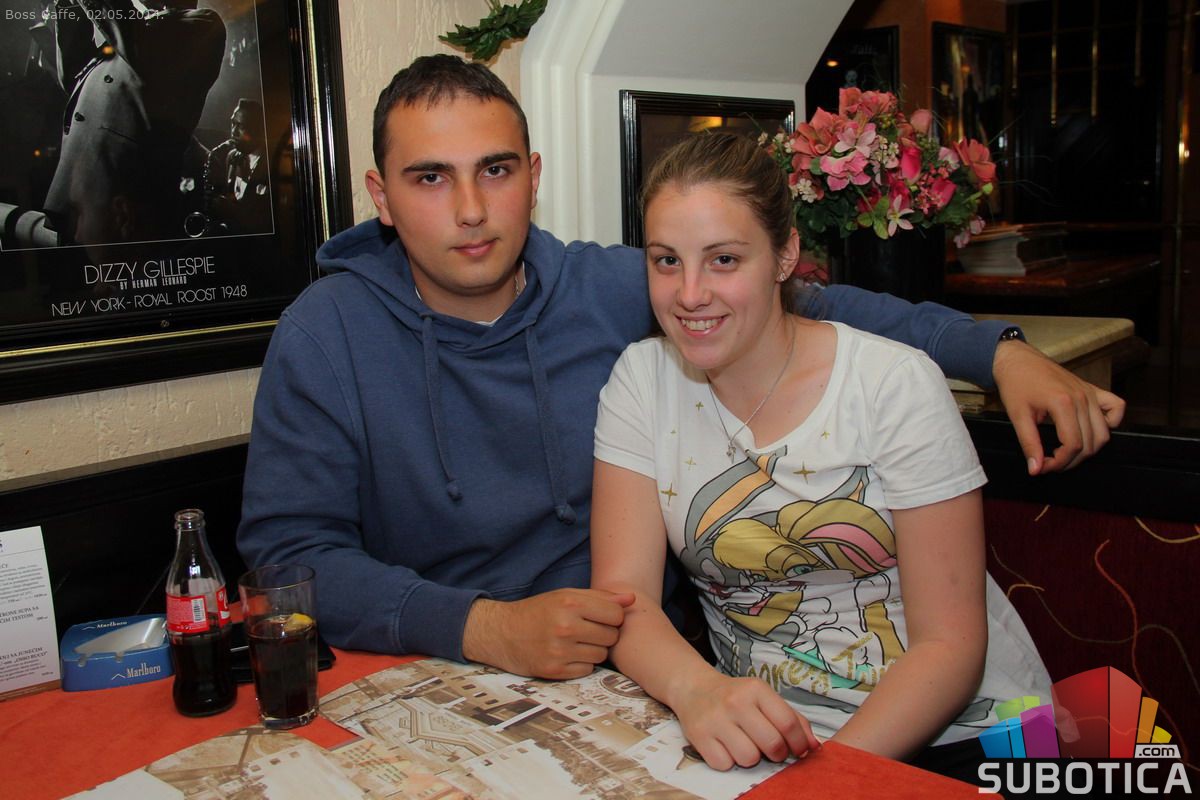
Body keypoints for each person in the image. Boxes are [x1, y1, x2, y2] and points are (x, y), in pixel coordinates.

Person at [237, 54, 1121, 682]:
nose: (471, 209)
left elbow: (814, 305)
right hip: (434, 675)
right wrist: (483, 629)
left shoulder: (621, 288)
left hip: (641, 679)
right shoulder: (325, 334)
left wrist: (996, 350)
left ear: (533, 176)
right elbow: (287, 558)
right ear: (382, 197)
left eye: (495, 170)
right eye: (430, 178)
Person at [589, 132, 1051, 777]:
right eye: (667, 261)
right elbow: (624, 597)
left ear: (785, 255)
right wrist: (697, 690)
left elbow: (950, 647)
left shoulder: (894, 384)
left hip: (962, 735)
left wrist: (827, 780)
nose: (690, 293)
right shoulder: (642, 380)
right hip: (767, 739)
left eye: (724, 260)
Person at [43, 0, 225, 245]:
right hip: (75, 202)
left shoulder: (202, 24)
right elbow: (73, 77)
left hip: (121, 209)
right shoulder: (135, 32)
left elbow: (140, 49)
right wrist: (68, 6)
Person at [202, 98, 271, 236]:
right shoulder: (231, 157)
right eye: (233, 124)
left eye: (241, 126)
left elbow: (267, 220)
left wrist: (232, 211)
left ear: (257, 130)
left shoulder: (270, 164)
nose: (233, 132)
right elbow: (234, 198)